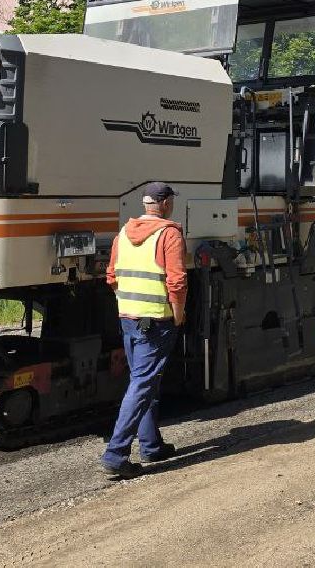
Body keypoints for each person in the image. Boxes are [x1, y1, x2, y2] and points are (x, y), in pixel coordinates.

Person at [101, 181, 188, 478]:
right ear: (164, 204)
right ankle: (116, 454)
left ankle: (151, 446)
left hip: (128, 317)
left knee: (144, 381)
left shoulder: (122, 234)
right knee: (142, 384)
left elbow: (111, 276)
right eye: (171, 201)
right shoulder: (169, 234)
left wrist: (126, 303)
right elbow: (176, 281)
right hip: (157, 321)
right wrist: (178, 314)